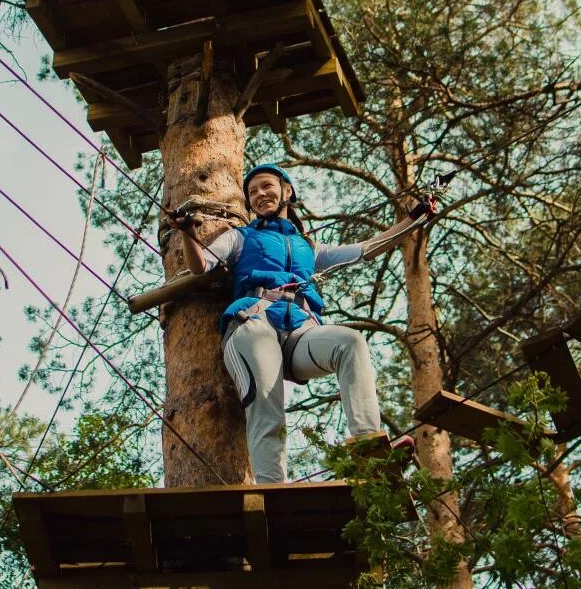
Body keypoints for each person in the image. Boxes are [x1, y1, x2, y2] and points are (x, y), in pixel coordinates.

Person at [176, 163, 437, 483]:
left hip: (300, 332)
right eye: (253, 192)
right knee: (269, 410)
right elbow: (201, 265)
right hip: (253, 323)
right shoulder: (240, 237)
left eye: (267, 186)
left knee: (350, 342)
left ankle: (370, 450)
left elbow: (366, 250)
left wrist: (414, 218)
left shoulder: (308, 247)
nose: (260, 194)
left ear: (287, 191)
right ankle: (272, 492)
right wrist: (188, 234)